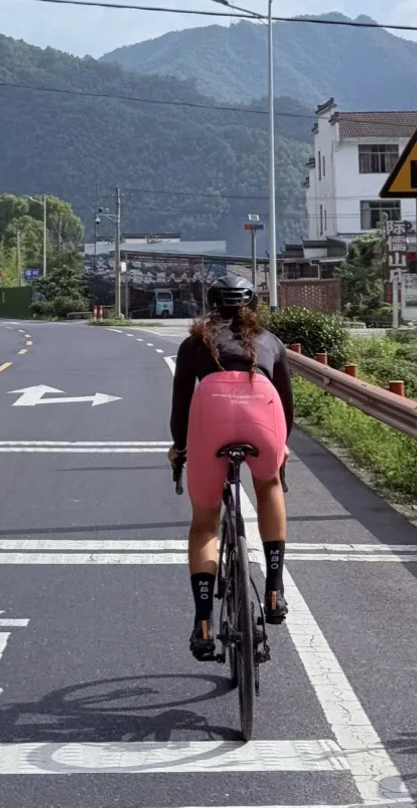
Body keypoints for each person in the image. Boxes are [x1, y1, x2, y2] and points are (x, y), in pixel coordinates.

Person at [169, 273, 294, 661]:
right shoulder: (271, 343)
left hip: (211, 419)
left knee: (205, 523)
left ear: (212, 306)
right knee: (268, 484)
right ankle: (274, 590)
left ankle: (204, 621)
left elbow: (180, 407)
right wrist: (281, 447)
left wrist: (179, 448)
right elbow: (287, 408)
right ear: (251, 307)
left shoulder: (195, 344)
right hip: (264, 421)